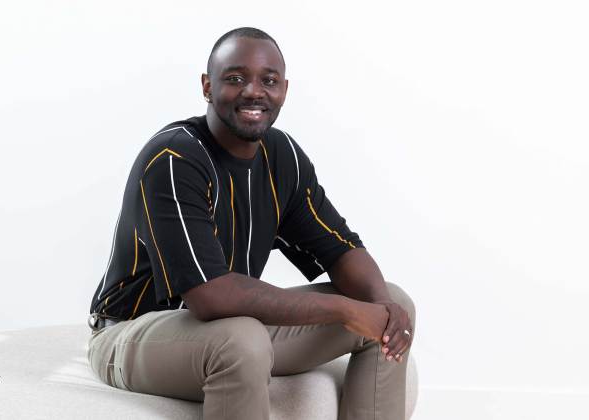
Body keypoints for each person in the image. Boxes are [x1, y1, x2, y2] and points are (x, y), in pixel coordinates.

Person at [86, 27, 415, 420]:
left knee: (392, 303)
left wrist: (380, 305)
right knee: (241, 340)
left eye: (268, 80)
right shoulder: (174, 158)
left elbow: (341, 249)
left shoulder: (282, 157)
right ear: (208, 86)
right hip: (131, 334)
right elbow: (210, 298)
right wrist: (344, 310)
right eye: (236, 78)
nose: (254, 91)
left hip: (233, 328)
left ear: (285, 90)